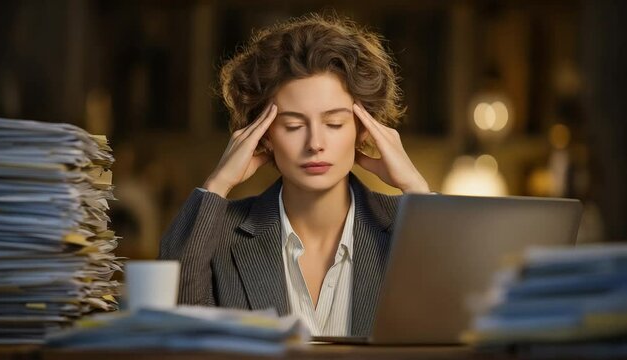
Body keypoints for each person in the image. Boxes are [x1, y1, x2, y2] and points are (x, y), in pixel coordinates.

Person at [159, 13, 430, 337]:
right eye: (293, 125)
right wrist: (218, 184)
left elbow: (458, 322)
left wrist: (417, 190)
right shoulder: (219, 231)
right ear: (265, 135)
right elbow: (176, 321)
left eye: (334, 123)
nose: (315, 143)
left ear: (362, 129)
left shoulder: (409, 227)